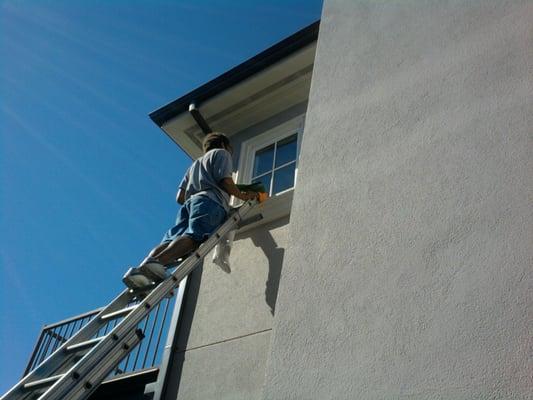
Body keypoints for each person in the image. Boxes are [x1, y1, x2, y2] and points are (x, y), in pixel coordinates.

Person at [123, 132, 258, 289]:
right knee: (195, 236)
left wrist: (195, 198)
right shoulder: (222, 154)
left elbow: (179, 197)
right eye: (230, 149)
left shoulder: (195, 164)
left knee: (169, 241)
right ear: (223, 144)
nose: (231, 152)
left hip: (189, 204)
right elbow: (225, 181)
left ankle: (140, 271)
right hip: (209, 201)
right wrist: (242, 195)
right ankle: (158, 262)